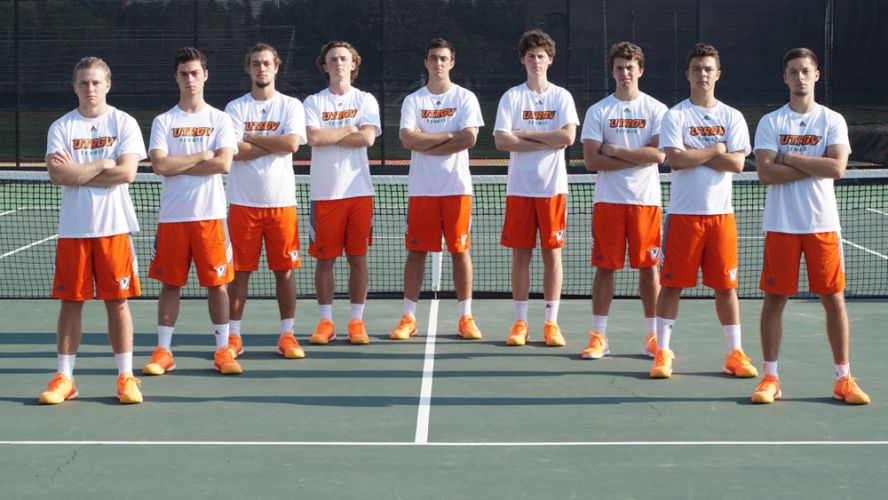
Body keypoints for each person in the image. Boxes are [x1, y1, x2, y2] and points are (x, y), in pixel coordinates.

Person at [751, 48, 870, 404]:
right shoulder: (771, 122)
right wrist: (811, 162)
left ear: (816, 75)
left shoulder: (832, 121)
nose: (800, 77)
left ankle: (843, 378)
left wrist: (787, 157)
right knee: (774, 300)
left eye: (806, 71)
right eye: (793, 72)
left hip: (822, 225)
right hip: (781, 225)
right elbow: (765, 173)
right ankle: (770, 377)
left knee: (833, 300)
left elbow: (836, 169)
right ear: (785, 77)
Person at [40, 57, 146, 404]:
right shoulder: (61, 127)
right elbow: (58, 176)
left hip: (114, 228)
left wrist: (78, 170)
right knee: (71, 303)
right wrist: (102, 163)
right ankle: (65, 378)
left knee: (118, 304)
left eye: (96, 83)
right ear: (74, 87)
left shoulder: (124, 123)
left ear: (108, 85)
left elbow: (127, 173)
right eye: (84, 83)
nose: (90, 89)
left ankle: (126, 377)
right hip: (74, 230)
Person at [651, 43, 758, 379]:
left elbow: (738, 163)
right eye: (696, 69)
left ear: (718, 74)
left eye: (708, 69)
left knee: (726, 288)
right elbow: (677, 161)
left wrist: (696, 151)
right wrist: (715, 147)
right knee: (670, 286)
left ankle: (734, 354)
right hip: (683, 216)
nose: (702, 74)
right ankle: (662, 352)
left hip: (721, 217)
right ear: (688, 74)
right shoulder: (675, 115)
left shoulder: (732, 117)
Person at [142, 47, 242, 376]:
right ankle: (164, 352)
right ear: (176, 77)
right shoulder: (163, 121)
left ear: (205, 76)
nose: (189, 79)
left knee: (218, 285)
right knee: (171, 284)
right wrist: (202, 156)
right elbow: (160, 165)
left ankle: (223, 350)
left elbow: (224, 163)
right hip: (173, 218)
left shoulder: (220, 119)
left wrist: (180, 164)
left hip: (210, 217)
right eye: (183, 73)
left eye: (195, 73)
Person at [389, 38, 485, 341]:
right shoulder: (413, 101)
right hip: (422, 189)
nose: (438, 63)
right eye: (433, 58)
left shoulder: (466, 98)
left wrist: (426, 139)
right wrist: (447, 135)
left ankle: (465, 317)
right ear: (426, 62)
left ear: (452, 62)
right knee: (416, 252)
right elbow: (407, 141)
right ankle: (408, 318)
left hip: (457, 189)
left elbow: (468, 139)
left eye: (444, 58)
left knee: (460, 251)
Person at [579, 41, 667, 360]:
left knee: (649, 270)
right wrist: (637, 157)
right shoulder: (599, 111)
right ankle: (599, 336)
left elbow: (658, 154)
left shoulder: (657, 110)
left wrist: (614, 151)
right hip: (608, 202)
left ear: (640, 70)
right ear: (612, 71)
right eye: (619, 67)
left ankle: (653, 338)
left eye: (630, 67)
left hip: (646, 202)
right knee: (605, 268)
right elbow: (591, 161)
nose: (625, 72)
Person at [494, 29, 578, 347]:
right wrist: (547, 136)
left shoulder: (561, 97)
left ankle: (551, 323)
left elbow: (567, 138)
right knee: (521, 256)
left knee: (552, 254)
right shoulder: (512, 97)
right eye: (530, 56)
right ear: (523, 60)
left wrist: (525, 132)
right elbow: (502, 140)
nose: (536, 61)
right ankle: (520, 323)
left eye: (541, 56)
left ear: (550, 60)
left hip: (553, 189)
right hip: (520, 188)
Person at [224, 43, 307, 359]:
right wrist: (274, 144)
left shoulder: (290, 106)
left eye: (267, 63)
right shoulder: (234, 108)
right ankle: (233, 337)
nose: (261, 69)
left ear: (276, 67)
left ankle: (287, 335)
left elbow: (291, 144)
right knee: (239, 273)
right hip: (243, 204)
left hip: (281, 203)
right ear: (249, 68)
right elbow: (235, 151)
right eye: (256, 63)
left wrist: (251, 137)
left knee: (284, 271)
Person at [303, 41, 381, 345]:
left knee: (358, 259)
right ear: (324, 66)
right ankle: (325, 322)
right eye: (332, 59)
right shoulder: (312, 102)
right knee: (325, 261)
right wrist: (349, 129)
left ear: (353, 64)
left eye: (343, 59)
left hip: (359, 192)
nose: (338, 63)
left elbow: (367, 138)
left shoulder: (365, 99)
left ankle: (356, 322)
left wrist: (336, 135)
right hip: (324, 194)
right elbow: (313, 137)